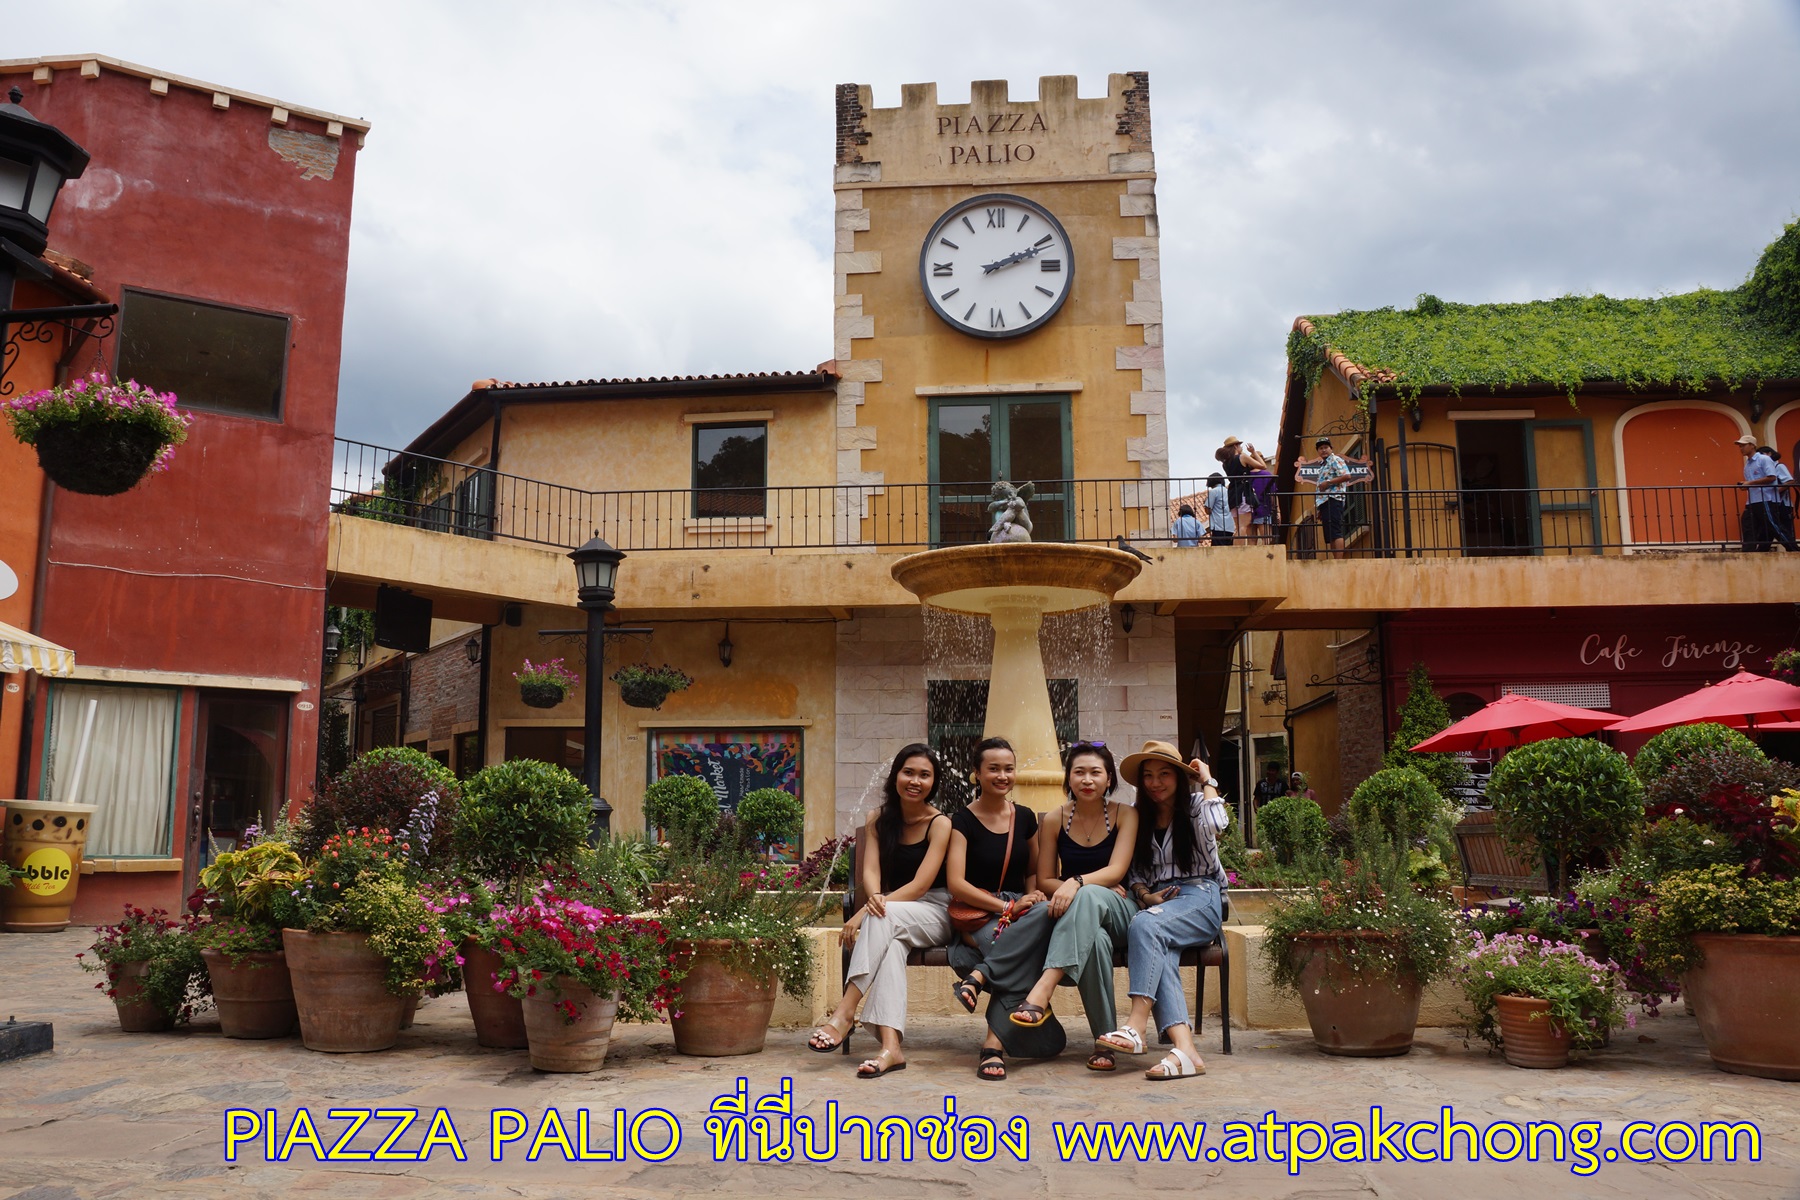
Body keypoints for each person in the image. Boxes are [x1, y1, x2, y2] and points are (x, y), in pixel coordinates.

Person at [807, 744, 953, 1077]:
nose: (915, 781)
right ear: (896, 775)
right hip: (892, 913)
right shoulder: (878, 818)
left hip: (934, 910)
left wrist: (866, 911)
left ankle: (844, 1012)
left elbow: (920, 885)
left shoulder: (940, 823)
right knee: (891, 952)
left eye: (924, 775)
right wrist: (874, 898)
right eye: (909, 772)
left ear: (934, 782)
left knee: (883, 917)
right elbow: (870, 872)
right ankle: (891, 1048)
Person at [1096, 740, 1231, 1081]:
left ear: (1180, 777)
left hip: (1201, 896)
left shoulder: (1200, 805)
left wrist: (1208, 780)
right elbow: (1137, 874)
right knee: (1161, 948)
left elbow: (1219, 824)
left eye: (1164, 775)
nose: (1155, 783)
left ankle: (1135, 1025)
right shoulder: (1138, 817)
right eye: (1149, 776)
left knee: (1144, 926)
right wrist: (1146, 895)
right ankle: (1186, 1051)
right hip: (1163, 905)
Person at [1008, 743, 1140, 1072]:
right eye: (1079, 772)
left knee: (1090, 896)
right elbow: (1045, 880)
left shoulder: (1126, 814)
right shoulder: (1055, 820)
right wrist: (1073, 885)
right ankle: (1105, 1042)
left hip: (1123, 910)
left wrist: (1076, 882)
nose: (1087, 779)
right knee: (1096, 942)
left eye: (1096, 772)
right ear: (1069, 777)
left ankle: (1044, 987)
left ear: (1109, 778)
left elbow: (1117, 871)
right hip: (1083, 920)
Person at [946, 736, 1055, 1081]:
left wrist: (1032, 897)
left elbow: (1035, 871)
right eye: (993, 768)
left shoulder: (1023, 818)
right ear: (976, 773)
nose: (1002, 775)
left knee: (1042, 916)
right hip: (978, 909)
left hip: (1021, 908)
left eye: (1009, 768)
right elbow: (957, 883)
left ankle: (977, 978)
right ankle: (993, 1044)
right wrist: (1008, 905)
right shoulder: (960, 820)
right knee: (1022, 952)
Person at [1301, 436, 1365, 558]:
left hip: (1334, 498)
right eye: (1320, 448)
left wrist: (1329, 482)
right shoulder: (1322, 465)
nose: (1323, 450)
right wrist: (1320, 508)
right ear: (1318, 451)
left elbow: (1347, 476)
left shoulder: (1335, 460)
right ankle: (1335, 559)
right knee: (1329, 534)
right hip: (1325, 501)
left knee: (1336, 531)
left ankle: (1339, 560)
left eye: (1326, 447)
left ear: (1331, 448)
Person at [1737, 435, 1796, 552]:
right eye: (1740, 446)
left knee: (1773, 525)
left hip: (1766, 499)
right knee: (1748, 525)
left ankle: (1793, 549)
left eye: (1743, 445)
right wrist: (1746, 485)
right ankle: (1748, 552)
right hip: (1753, 500)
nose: (1741, 448)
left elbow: (1772, 477)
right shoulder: (1748, 464)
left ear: (1752, 446)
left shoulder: (1764, 459)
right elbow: (1753, 482)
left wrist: (1749, 483)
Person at [1241, 442, 1277, 545]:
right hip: (1264, 510)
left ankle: (1252, 561)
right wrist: (1277, 511)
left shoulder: (1245, 476)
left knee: (1252, 541)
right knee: (1267, 539)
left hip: (1249, 510)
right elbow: (1273, 495)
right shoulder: (1267, 475)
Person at [1217, 438, 1252, 539]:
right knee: (1243, 526)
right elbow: (1262, 465)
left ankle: (1236, 549)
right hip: (1243, 493)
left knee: (1238, 528)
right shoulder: (1242, 457)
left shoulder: (1225, 463)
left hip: (1232, 494)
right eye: (1239, 445)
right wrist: (1253, 452)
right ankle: (1240, 551)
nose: (1241, 447)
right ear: (1235, 446)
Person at [1764, 446, 1795, 550]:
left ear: (1768, 454)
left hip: (1783, 504)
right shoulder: (1770, 468)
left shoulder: (1779, 466)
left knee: (1785, 530)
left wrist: (1775, 492)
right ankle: (1763, 549)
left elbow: (1790, 481)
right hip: (1775, 503)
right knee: (1772, 529)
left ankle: (1793, 550)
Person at [1203, 473, 1233, 547]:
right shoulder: (1228, 491)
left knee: (1217, 550)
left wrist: (1205, 504)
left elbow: (1208, 510)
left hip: (1218, 525)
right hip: (1230, 526)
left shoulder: (1214, 491)